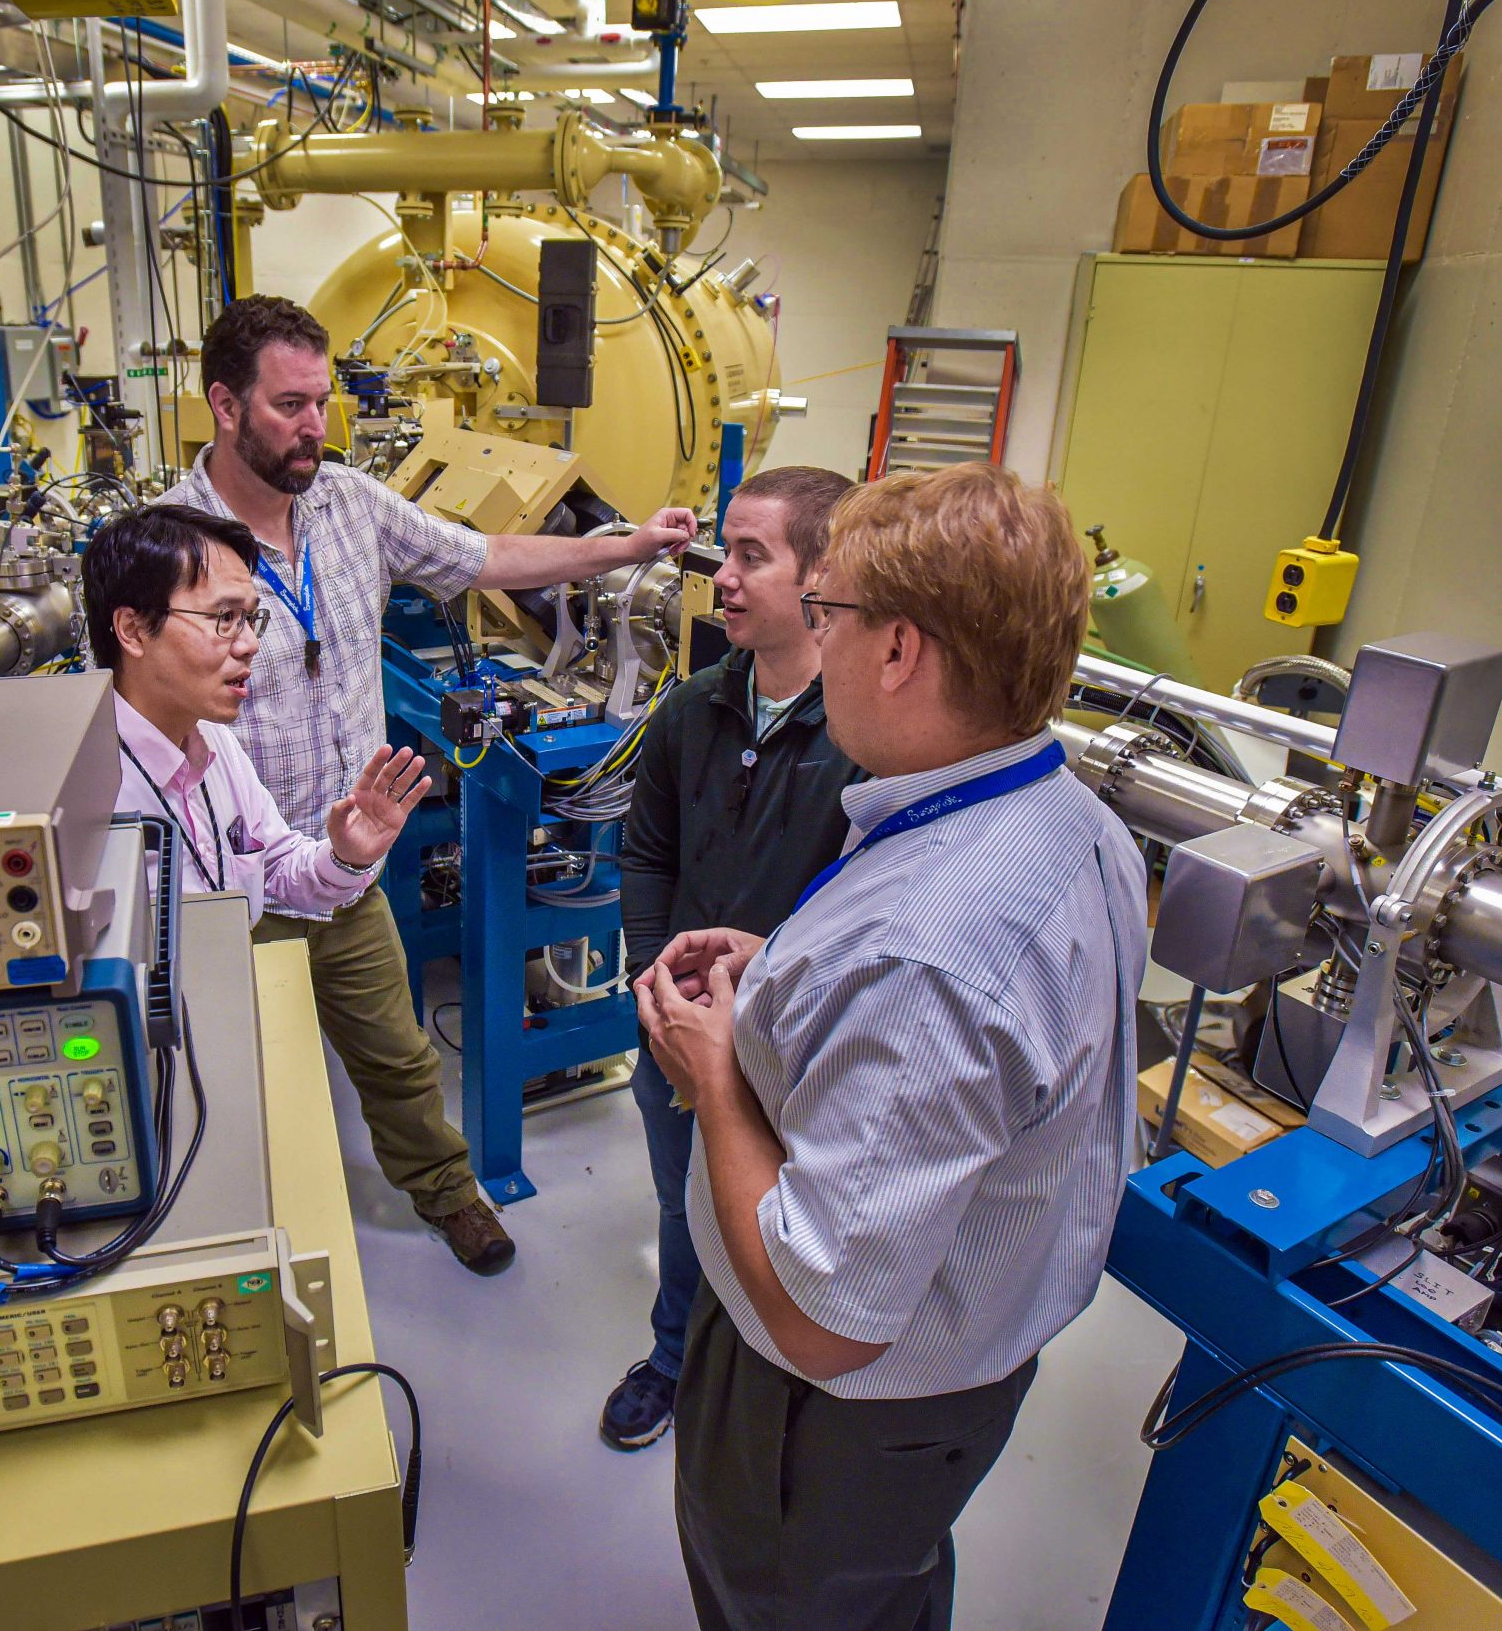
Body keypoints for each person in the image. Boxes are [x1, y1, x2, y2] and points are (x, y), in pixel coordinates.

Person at [632, 462, 1146, 1631]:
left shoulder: (930, 956)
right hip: (952, 1379)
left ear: (901, 648)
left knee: (788, 1600)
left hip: (820, 1409)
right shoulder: (1064, 817)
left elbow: (823, 1313)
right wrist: (786, 973)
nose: (818, 637)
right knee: (885, 1592)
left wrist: (715, 1073)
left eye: (830, 615)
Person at [162, 294, 699, 1275]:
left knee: (398, 1056)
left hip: (343, 861)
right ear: (224, 408)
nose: (313, 427)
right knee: (228, 1072)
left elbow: (483, 555)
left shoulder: (349, 503)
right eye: (289, 405)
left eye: (322, 403)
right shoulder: (164, 544)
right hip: (226, 875)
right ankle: (237, 1234)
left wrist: (621, 546)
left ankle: (448, 1190)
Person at [600, 465, 863, 1452]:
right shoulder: (693, 709)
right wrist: (646, 977)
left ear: (822, 575)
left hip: (797, 1053)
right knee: (684, 1205)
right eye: (724, 550)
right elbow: (646, 853)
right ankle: (676, 1357)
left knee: (786, 1230)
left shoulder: (862, 736)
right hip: (676, 1031)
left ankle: (760, 1389)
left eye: (752, 555)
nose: (724, 575)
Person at [83, 504, 431, 927]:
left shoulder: (214, 745)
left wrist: (346, 857)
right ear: (133, 631)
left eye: (249, 619)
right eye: (225, 617)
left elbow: (277, 864)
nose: (249, 643)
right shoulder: (82, 787)